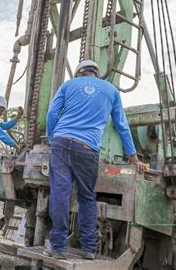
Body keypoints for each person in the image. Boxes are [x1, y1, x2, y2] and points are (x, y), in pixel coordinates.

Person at [44, 60, 148, 260]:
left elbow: (52, 113)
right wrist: (133, 157)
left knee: (60, 194)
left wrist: (51, 139)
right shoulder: (111, 90)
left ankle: (57, 247)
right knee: (86, 197)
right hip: (88, 148)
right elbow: (122, 125)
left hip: (62, 142)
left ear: (78, 72)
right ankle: (89, 249)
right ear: (96, 73)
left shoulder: (67, 85)